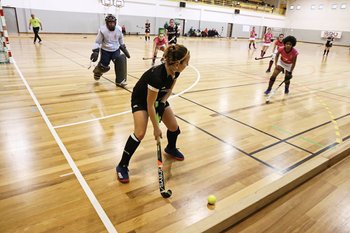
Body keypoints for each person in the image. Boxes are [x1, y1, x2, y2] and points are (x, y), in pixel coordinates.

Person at [116, 44, 190, 183]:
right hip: (142, 99)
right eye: (186, 62)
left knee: (174, 127)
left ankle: (171, 148)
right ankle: (122, 165)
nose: (187, 64)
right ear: (177, 63)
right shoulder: (156, 77)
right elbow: (149, 105)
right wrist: (156, 128)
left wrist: (162, 103)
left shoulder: (176, 72)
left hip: (158, 97)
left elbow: (168, 91)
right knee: (140, 133)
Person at [90, 14, 130, 87]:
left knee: (120, 62)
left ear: (115, 22)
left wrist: (123, 47)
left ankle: (120, 81)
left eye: (113, 23)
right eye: (109, 23)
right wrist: (95, 51)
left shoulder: (119, 29)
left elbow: (121, 38)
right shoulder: (102, 30)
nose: (111, 24)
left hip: (116, 49)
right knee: (103, 66)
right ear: (106, 23)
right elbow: (97, 42)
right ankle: (97, 72)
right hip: (105, 50)